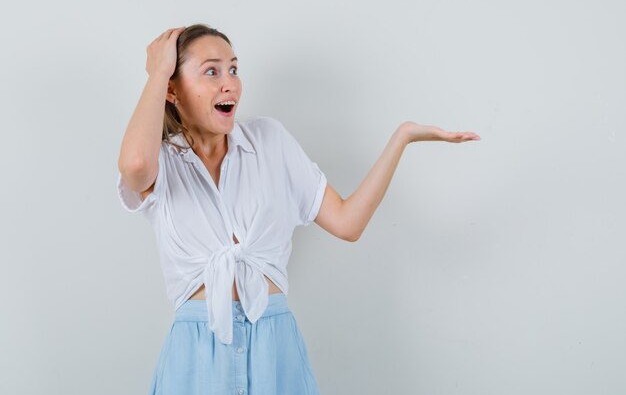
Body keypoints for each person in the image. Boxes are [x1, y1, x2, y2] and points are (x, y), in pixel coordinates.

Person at [116, 23, 480, 395]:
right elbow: (134, 167)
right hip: (195, 353)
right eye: (211, 71)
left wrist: (401, 138)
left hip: (275, 347)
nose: (230, 83)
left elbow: (347, 223)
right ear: (173, 90)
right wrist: (158, 71)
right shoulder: (162, 160)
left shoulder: (269, 141)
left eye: (234, 69)